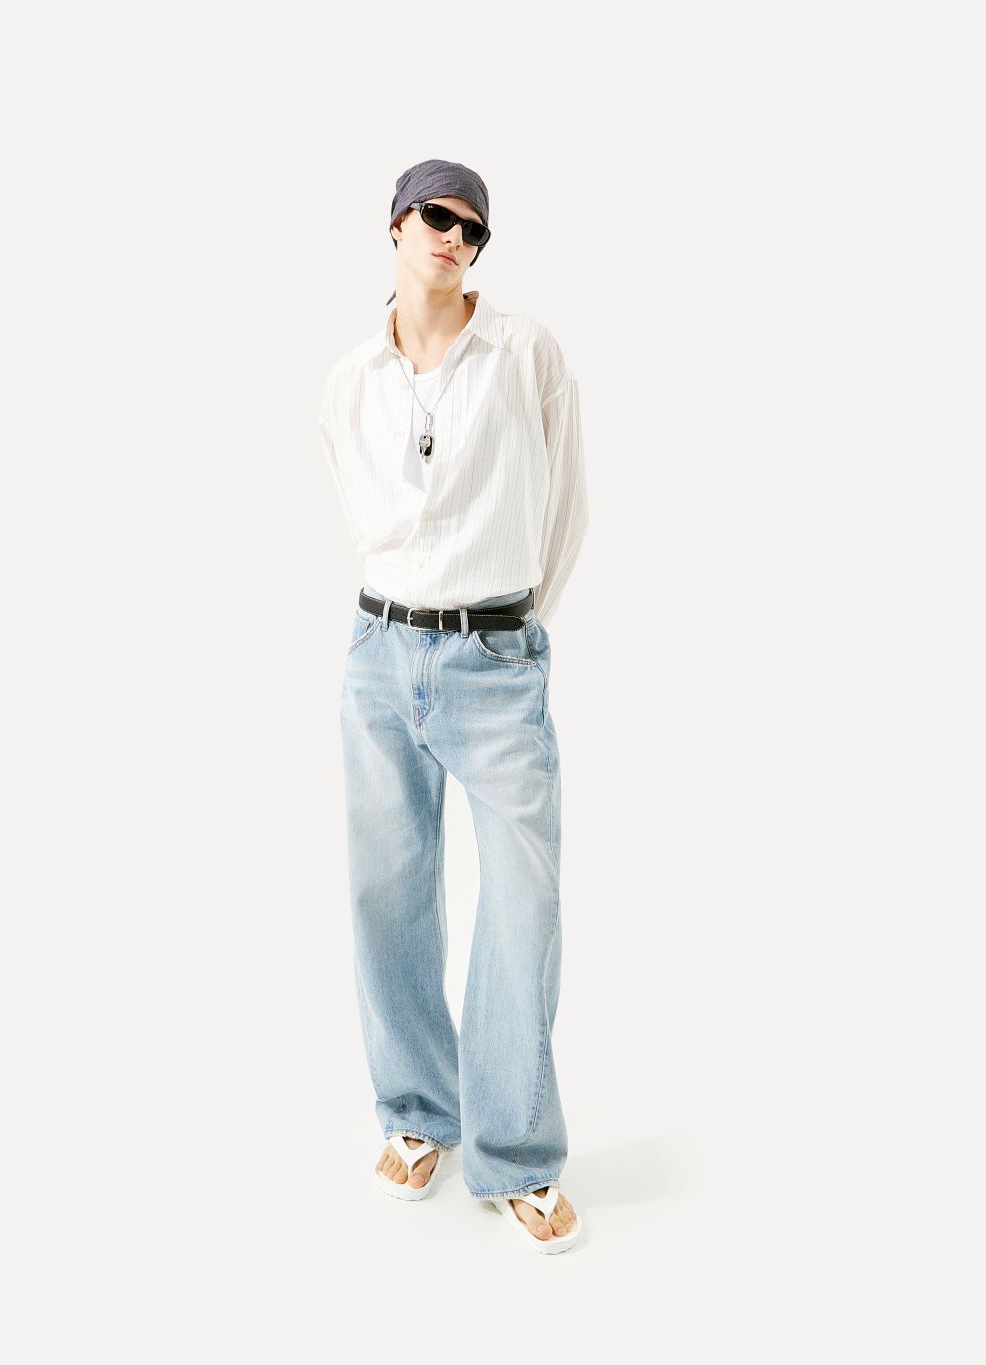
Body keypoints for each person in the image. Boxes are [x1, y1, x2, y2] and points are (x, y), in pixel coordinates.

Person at [317, 159, 589, 1253]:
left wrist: (510, 626)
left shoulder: (524, 353)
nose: (455, 238)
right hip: (379, 652)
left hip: (496, 654)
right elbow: (362, 512)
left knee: (523, 902)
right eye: (437, 216)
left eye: (473, 229)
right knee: (387, 894)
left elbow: (567, 504)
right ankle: (416, 1112)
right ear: (396, 225)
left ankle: (514, 1149)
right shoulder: (351, 379)